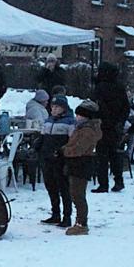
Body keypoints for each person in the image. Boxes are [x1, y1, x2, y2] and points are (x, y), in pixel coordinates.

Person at [62, 99, 103, 235]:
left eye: (80, 115)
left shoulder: (87, 131)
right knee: (75, 193)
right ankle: (80, 221)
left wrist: (65, 151)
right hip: (76, 163)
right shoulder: (81, 128)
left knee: (78, 194)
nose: (77, 117)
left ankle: (81, 223)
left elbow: (79, 148)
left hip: (81, 163)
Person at [91, 62, 129, 193]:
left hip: (103, 125)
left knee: (102, 156)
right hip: (115, 127)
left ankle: (103, 184)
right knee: (114, 154)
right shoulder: (120, 87)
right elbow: (126, 107)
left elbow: (97, 106)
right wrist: (120, 122)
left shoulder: (100, 87)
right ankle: (119, 180)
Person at [39, 95, 75, 227]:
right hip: (47, 157)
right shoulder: (48, 121)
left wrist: (62, 152)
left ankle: (67, 216)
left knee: (63, 187)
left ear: (64, 108)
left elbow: (72, 141)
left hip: (60, 159)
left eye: (57, 107)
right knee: (51, 186)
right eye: (52, 107)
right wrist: (37, 146)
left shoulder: (70, 122)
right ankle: (55, 213)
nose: (53, 109)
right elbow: (43, 136)